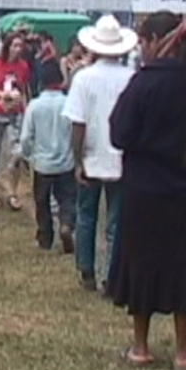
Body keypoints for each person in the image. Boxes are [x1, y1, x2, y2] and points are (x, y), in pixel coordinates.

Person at [106, 12, 186, 370]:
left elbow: (119, 134)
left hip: (143, 189)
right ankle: (183, 353)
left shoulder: (145, 82)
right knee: (180, 264)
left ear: (156, 40)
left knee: (141, 263)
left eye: (143, 41)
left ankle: (141, 347)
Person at [62, 15, 136, 293]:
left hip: (92, 157)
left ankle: (86, 271)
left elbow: (77, 123)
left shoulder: (83, 78)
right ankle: (111, 276)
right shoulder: (131, 78)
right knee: (116, 222)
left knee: (86, 215)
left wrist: (77, 160)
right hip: (121, 158)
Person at [20, 60, 77, 253]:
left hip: (43, 164)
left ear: (41, 82)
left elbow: (27, 137)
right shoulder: (69, 103)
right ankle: (67, 224)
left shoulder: (34, 106)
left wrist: (27, 155)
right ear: (61, 81)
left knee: (42, 201)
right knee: (67, 198)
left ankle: (45, 238)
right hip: (66, 162)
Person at [0, 33, 32, 211]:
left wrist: (25, 110)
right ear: (8, 47)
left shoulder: (23, 66)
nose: (18, 49)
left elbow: (24, 89)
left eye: (20, 46)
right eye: (15, 45)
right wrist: (0, 94)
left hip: (15, 114)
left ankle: (13, 192)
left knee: (16, 154)